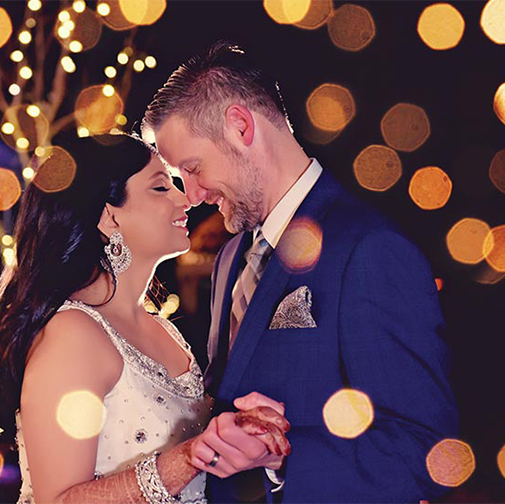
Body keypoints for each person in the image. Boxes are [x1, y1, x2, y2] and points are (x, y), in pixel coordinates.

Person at [142, 41, 459, 503]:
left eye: (192, 168)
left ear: (240, 127)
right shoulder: (231, 256)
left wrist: (282, 457)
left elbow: (427, 447)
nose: (190, 195)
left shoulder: (370, 249)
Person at [0, 133, 291, 504]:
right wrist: (188, 457)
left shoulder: (162, 328)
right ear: (109, 216)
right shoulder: (73, 334)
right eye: (160, 187)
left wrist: (245, 435)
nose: (185, 199)